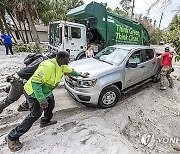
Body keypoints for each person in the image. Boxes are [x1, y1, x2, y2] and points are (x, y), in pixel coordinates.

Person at [5, 51, 89, 152]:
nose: (69, 60)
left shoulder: (61, 65)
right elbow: (36, 83)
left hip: (46, 91)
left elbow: (70, 71)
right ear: (61, 59)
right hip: (33, 91)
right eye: (68, 58)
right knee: (35, 114)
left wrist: (81, 74)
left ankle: (45, 121)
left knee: (51, 104)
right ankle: (12, 137)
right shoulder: (48, 66)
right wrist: (41, 99)